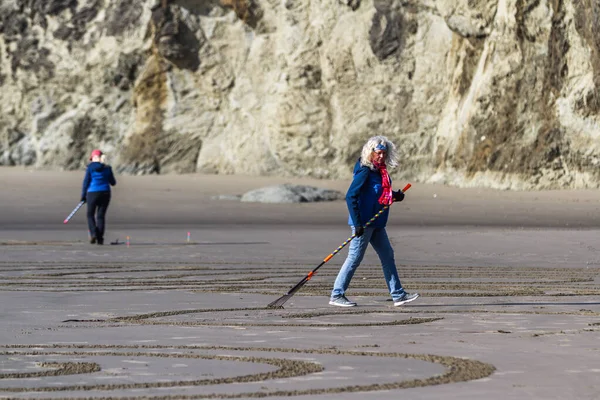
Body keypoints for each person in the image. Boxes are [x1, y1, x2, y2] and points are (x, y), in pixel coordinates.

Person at [329, 135, 419, 307]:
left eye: (384, 153)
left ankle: (398, 295)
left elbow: (377, 194)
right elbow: (350, 196)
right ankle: (336, 294)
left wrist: (395, 196)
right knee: (354, 258)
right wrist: (357, 223)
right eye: (378, 153)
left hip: (377, 223)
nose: (381, 156)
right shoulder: (365, 170)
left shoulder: (380, 171)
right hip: (364, 223)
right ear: (370, 152)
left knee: (387, 255)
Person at [81, 149, 116, 245]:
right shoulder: (108, 168)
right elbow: (113, 182)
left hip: (92, 193)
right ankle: (100, 238)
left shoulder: (90, 168)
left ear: (93, 158)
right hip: (105, 193)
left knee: (90, 215)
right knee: (100, 216)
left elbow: (86, 183)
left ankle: (93, 234)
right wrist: (107, 168)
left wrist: (83, 196)